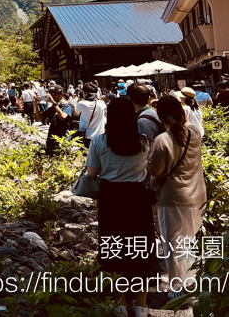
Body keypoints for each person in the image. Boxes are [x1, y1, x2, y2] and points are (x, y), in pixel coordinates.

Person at [86, 97, 156, 317]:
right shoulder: (143, 141)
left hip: (112, 198)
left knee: (114, 248)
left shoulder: (99, 141)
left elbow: (91, 174)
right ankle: (141, 305)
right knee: (141, 248)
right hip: (137, 197)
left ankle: (119, 304)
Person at [147, 96, 207, 300]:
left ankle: (176, 289)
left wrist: (147, 163)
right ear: (182, 113)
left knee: (172, 245)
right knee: (187, 242)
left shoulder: (162, 140)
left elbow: (157, 170)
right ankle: (189, 284)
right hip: (197, 196)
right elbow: (186, 123)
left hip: (173, 198)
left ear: (159, 116)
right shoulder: (195, 133)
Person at [73, 81, 106, 148]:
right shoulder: (102, 103)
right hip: (101, 135)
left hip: (88, 135)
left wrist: (77, 102)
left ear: (86, 92)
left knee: (88, 156)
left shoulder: (81, 103)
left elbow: (76, 113)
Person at [44, 85, 74, 155]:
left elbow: (63, 117)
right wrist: (36, 103)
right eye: (50, 94)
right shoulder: (53, 107)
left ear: (62, 95)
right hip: (52, 138)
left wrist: (54, 104)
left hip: (63, 137)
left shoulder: (66, 105)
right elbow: (39, 117)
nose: (52, 96)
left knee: (63, 157)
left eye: (54, 94)